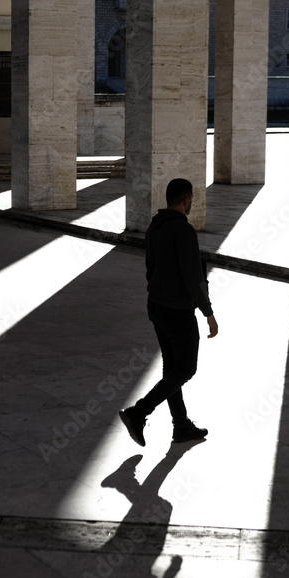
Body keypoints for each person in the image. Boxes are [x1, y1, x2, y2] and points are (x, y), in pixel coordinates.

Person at [120, 178, 218, 446]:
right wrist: (208, 313)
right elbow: (192, 277)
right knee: (186, 368)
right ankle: (138, 412)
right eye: (191, 201)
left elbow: (150, 268)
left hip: (157, 307)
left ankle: (181, 425)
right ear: (187, 200)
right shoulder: (183, 231)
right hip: (177, 312)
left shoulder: (154, 227)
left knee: (172, 368)